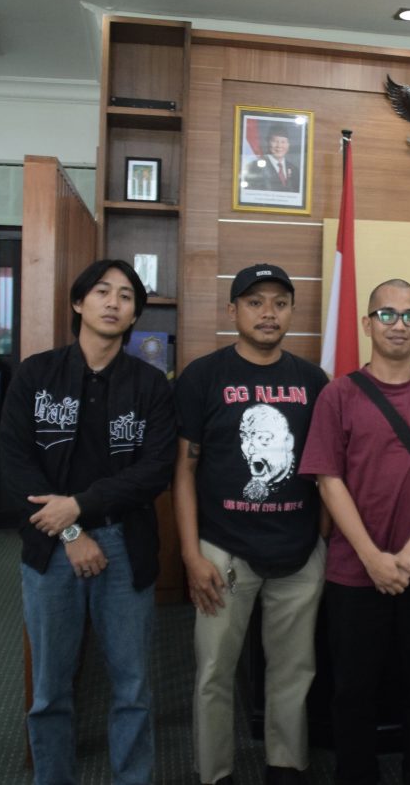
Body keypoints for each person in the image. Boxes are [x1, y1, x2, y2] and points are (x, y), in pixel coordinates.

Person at [0, 258, 176, 785]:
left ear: (134, 315)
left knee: (132, 687)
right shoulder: (36, 374)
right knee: (50, 688)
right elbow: (15, 464)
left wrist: (78, 506)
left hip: (126, 544)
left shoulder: (151, 385)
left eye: (125, 296)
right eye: (102, 291)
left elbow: (155, 470)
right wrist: (72, 531)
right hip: (51, 546)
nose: (113, 302)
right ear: (79, 302)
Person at [299, 278, 410, 785]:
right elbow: (328, 480)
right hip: (354, 570)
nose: (399, 325)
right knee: (353, 689)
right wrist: (372, 557)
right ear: (367, 324)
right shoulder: (337, 395)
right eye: (387, 314)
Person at [174, 263, 328, 785]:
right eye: (255, 302)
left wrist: (321, 539)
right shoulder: (203, 376)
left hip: (299, 552)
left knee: (294, 671)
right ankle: (215, 774)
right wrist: (192, 555)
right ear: (233, 310)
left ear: (291, 312)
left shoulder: (312, 381)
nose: (268, 313)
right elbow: (184, 471)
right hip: (224, 552)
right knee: (215, 673)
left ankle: (286, 767)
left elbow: (326, 468)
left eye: (280, 303)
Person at [244, 124, 299, 192]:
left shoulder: (295, 170)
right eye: (275, 141)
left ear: (288, 144)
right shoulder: (255, 167)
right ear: (268, 142)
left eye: (283, 142)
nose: (279, 146)